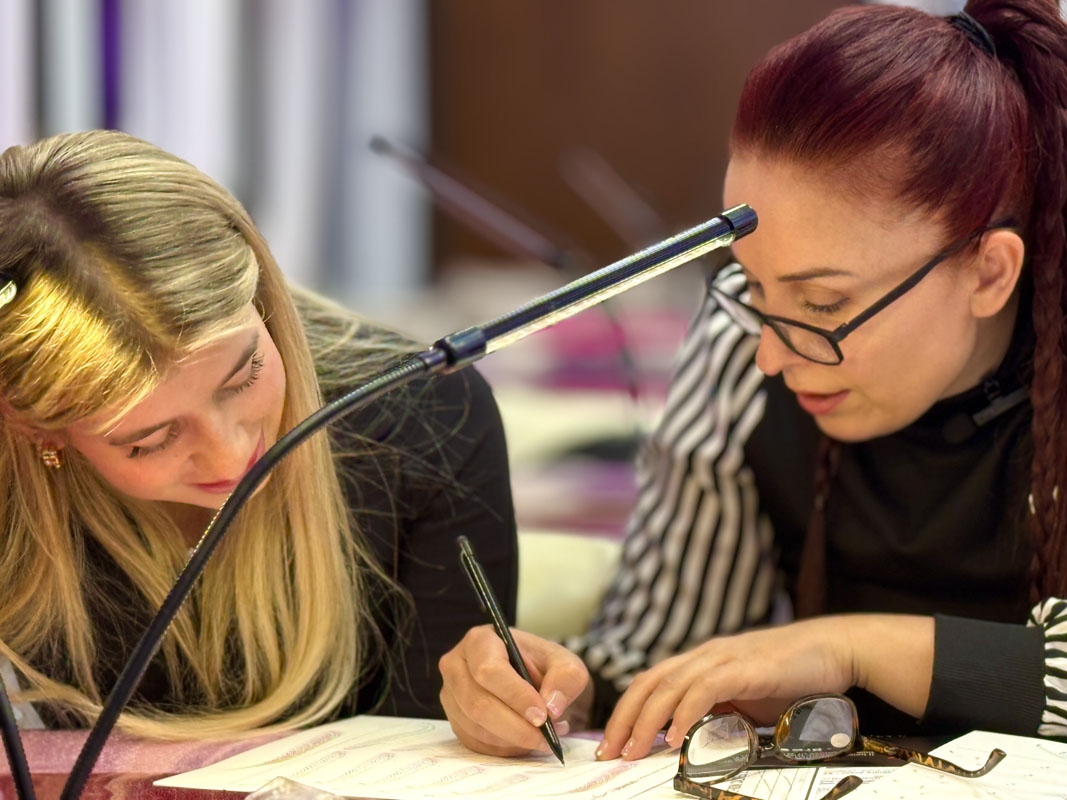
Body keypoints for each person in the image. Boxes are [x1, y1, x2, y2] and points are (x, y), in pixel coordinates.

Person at [438, 0, 1067, 762]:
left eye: (823, 303)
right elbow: (666, 645)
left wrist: (851, 649)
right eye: (752, 285)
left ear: (989, 272)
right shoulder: (745, 336)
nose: (770, 354)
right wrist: (562, 686)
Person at [0, 129, 517, 738]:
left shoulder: (423, 413)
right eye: (149, 440)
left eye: (243, 375)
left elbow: (435, 749)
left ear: (264, 301)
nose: (231, 452)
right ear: (37, 430)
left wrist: (494, 710)